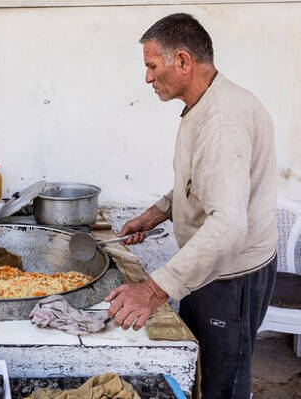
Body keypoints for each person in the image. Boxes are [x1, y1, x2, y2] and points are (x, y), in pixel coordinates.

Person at [104, 14, 278, 398]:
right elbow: (202, 182)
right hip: (206, 267)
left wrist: (152, 290)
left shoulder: (222, 121)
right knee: (196, 368)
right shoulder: (203, 104)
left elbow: (228, 225)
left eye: (152, 66)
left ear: (183, 61)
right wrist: (157, 212)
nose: (147, 78)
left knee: (224, 382)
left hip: (233, 276)